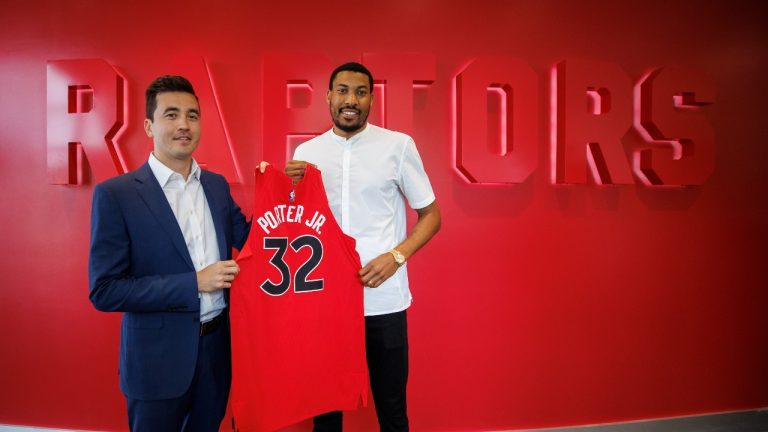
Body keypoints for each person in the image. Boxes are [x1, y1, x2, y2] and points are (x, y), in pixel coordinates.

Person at [89, 75, 255, 431]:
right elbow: (105, 290)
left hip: (216, 354)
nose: (184, 124)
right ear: (149, 126)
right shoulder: (116, 195)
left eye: (193, 115)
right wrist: (193, 283)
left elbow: (259, 240)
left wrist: (290, 192)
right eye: (172, 114)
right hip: (155, 361)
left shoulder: (216, 186)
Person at [285, 62, 441, 431]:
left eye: (360, 91)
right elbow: (296, 223)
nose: (350, 100)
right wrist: (287, 187)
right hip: (324, 302)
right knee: (325, 414)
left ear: (371, 98)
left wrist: (396, 256)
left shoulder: (398, 146)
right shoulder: (307, 151)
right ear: (328, 96)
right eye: (342, 90)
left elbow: (432, 215)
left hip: (383, 301)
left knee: (392, 410)